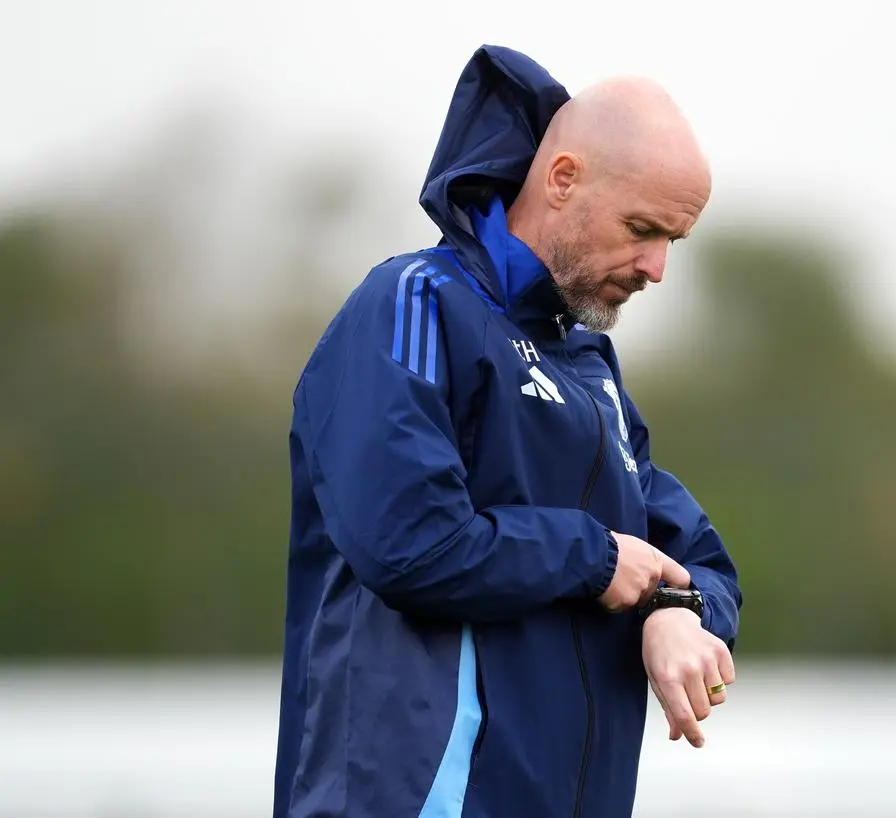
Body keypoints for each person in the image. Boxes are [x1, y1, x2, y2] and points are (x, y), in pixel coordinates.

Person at [273, 44, 743, 818]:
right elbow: (410, 544)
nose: (656, 267)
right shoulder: (413, 305)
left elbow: (695, 559)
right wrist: (595, 558)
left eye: (672, 241)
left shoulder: (591, 369)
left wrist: (674, 612)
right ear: (562, 179)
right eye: (640, 228)